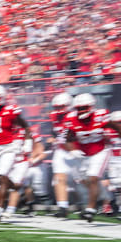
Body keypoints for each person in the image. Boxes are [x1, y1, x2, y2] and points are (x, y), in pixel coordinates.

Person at [62, 93, 121, 222]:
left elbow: (116, 127)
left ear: (91, 106)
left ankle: (90, 210)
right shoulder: (71, 118)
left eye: (84, 107)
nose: (81, 111)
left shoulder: (100, 115)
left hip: (101, 151)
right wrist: (72, 150)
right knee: (85, 181)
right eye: (78, 108)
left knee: (93, 177)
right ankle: (108, 199)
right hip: (84, 153)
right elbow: (67, 138)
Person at [0, 85, 30, 222]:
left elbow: (25, 126)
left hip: (8, 147)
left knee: (1, 175)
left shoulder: (11, 110)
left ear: (1, 98)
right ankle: (17, 188)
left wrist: (27, 142)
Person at [48, 92, 76, 218]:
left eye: (61, 107)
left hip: (76, 150)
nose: (58, 110)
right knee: (59, 178)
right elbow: (55, 132)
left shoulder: (76, 116)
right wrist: (53, 138)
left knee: (84, 180)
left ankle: (103, 203)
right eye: (56, 107)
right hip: (61, 150)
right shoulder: (54, 116)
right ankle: (63, 207)